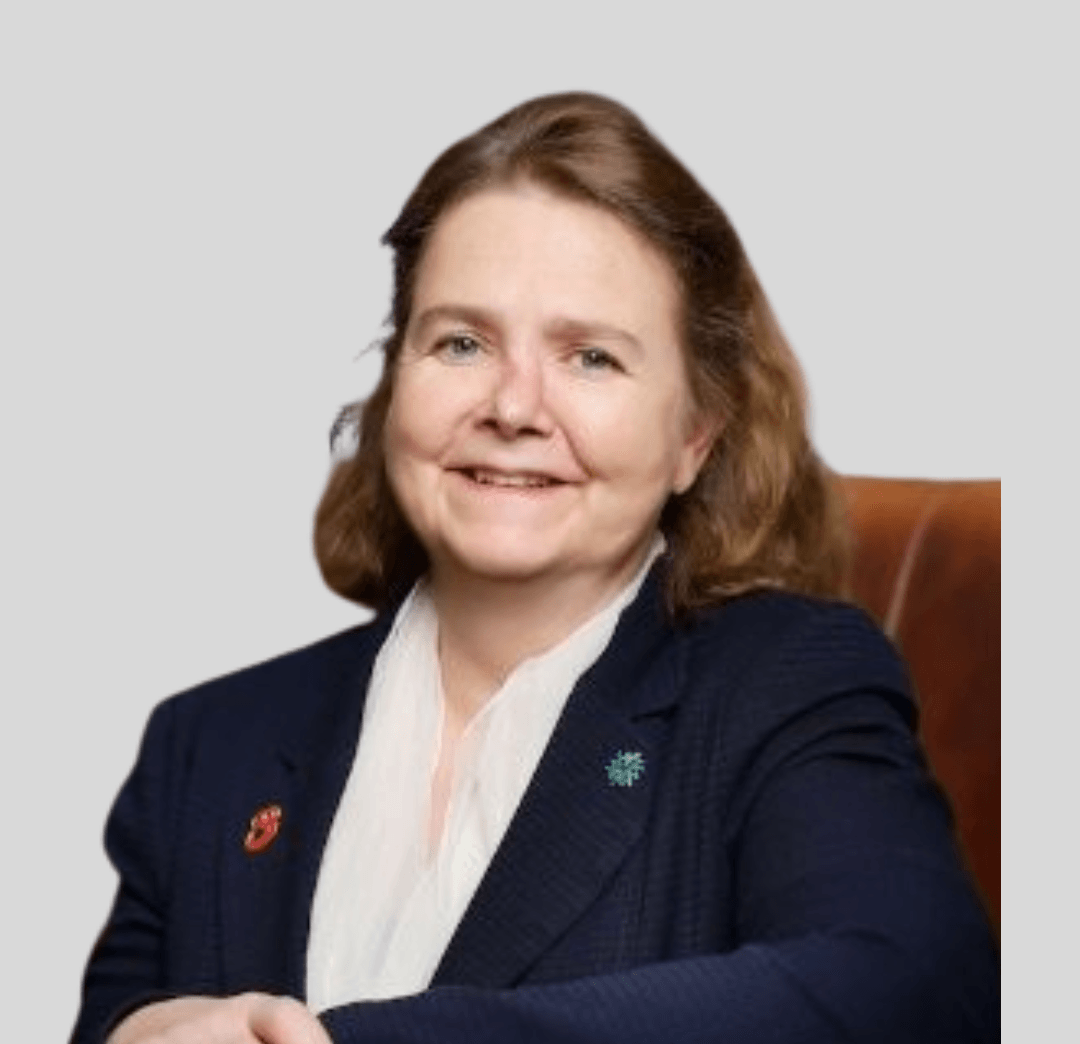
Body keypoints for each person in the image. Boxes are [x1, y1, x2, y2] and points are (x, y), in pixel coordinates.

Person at [70, 92, 999, 1044]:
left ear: (694, 435)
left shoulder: (785, 682)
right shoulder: (207, 745)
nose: (513, 406)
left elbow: (913, 987)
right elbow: (118, 1018)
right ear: (398, 386)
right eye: (461, 342)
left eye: (591, 357)